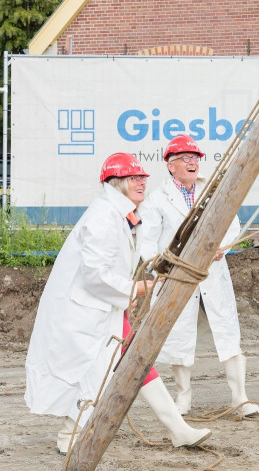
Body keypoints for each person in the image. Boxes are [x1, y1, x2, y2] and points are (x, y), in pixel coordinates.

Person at [25, 153, 211, 455]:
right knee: (91, 370)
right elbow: (95, 274)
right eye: (133, 177)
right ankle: (68, 435)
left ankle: (179, 430)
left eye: (142, 177)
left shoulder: (121, 214)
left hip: (103, 308)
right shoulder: (104, 216)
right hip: (84, 311)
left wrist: (144, 281)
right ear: (115, 182)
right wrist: (135, 288)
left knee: (137, 360)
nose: (141, 182)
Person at [139, 135, 258, 417]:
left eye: (195, 158)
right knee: (178, 338)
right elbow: (147, 243)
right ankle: (183, 398)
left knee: (228, 334)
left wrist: (223, 248)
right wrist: (157, 267)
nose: (192, 163)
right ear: (171, 166)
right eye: (185, 158)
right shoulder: (156, 200)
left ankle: (239, 398)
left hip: (212, 275)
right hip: (177, 278)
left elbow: (232, 223)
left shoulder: (213, 191)